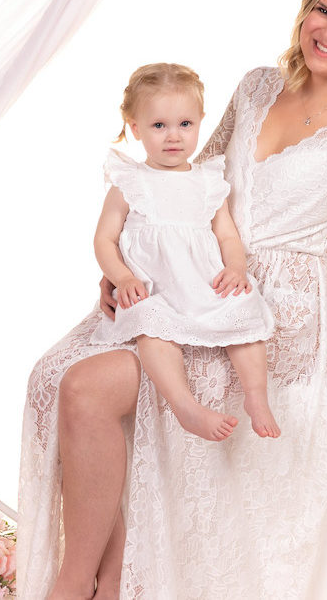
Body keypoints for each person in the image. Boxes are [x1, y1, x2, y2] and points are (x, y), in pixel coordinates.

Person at [17, 0, 327, 599]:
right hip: (194, 277)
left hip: (282, 315)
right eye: (322, 10)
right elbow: (191, 179)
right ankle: (111, 574)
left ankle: (78, 583)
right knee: (56, 375)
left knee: (93, 391)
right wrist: (127, 258)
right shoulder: (260, 86)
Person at [90, 63, 280, 441]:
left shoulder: (208, 181)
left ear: (200, 121)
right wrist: (123, 276)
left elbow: (226, 234)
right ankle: (185, 407)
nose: (173, 136)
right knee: (151, 328)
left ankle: (256, 397)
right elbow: (104, 239)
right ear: (135, 127)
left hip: (202, 283)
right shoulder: (131, 182)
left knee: (243, 310)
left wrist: (237, 268)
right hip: (155, 290)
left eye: (185, 124)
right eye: (159, 126)